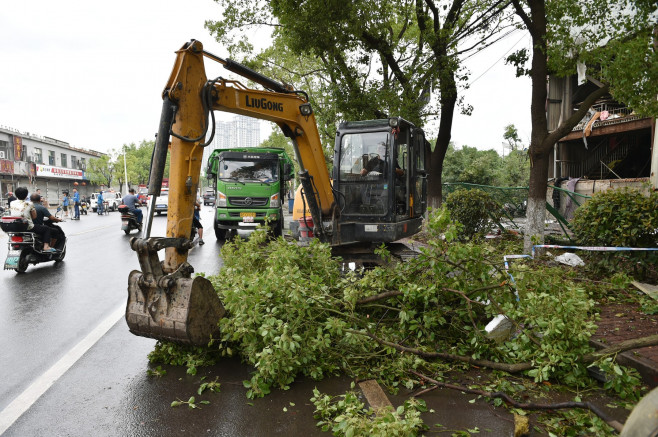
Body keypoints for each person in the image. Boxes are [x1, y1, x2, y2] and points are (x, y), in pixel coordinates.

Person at [9, 187, 56, 252]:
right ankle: (46, 247)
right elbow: (34, 217)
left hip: (15, 227)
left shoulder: (12, 203)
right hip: (28, 227)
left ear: (16, 195)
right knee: (46, 228)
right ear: (26, 195)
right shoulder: (29, 204)